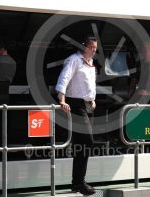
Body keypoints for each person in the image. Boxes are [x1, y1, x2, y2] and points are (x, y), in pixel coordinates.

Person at [55, 36, 97, 195]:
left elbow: (88, 84)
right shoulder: (74, 60)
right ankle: (79, 182)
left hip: (87, 106)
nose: (94, 50)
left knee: (82, 145)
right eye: (91, 47)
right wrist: (62, 100)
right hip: (76, 105)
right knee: (87, 141)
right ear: (84, 47)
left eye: (95, 47)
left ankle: (77, 182)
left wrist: (92, 100)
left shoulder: (91, 63)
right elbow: (64, 79)